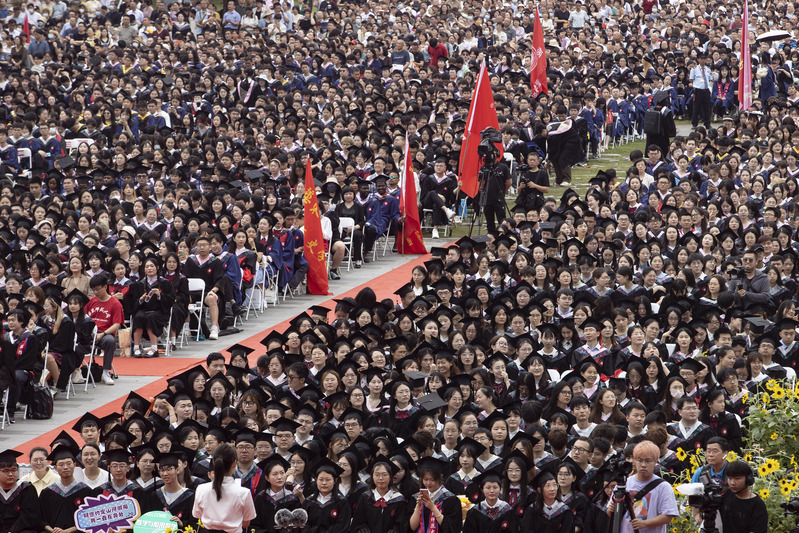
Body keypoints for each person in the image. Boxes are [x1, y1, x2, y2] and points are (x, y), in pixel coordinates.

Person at [606, 441, 678, 533]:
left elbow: (667, 516)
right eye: (639, 460)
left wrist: (645, 523)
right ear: (634, 461)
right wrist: (611, 509)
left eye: (648, 461)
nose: (643, 465)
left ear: (656, 462)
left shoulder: (663, 486)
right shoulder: (624, 483)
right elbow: (611, 514)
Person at [192, 443, 257, 533]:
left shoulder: (201, 489)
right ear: (234, 464)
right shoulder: (243, 493)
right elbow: (246, 523)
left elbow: (198, 516)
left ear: (214, 463)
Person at [84, 274, 123, 384]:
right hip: (89, 332)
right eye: (93, 290)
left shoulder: (115, 304)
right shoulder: (90, 302)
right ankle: (75, 371)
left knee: (110, 341)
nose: (95, 292)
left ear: (105, 287)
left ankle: (105, 372)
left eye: (97, 289)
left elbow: (116, 324)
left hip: (104, 333)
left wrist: (103, 334)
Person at [717, 460, 768, 533]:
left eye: (737, 479)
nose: (732, 483)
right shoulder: (726, 494)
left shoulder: (757, 505)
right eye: (730, 478)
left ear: (748, 479)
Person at [0, 449, 39, 533]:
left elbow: (29, 516)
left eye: (14, 470)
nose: (10, 474)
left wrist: (12, 531)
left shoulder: (26, 489)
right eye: (5, 471)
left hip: (21, 530)